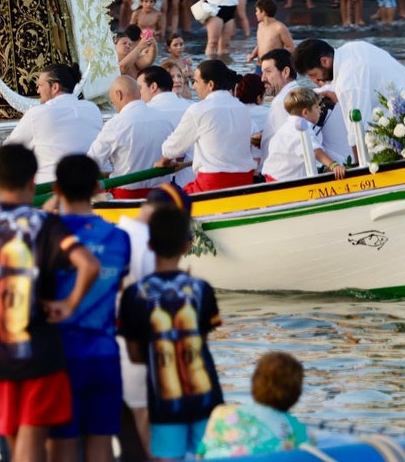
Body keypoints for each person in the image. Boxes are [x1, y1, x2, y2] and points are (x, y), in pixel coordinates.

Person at [0, 143, 101, 462]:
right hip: (36, 350)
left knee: (15, 440)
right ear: (31, 183)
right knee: (32, 436)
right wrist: (69, 303)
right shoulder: (44, 224)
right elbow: (89, 265)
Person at [118, 202, 223, 462]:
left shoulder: (135, 295)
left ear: (150, 245)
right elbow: (202, 340)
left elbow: (134, 355)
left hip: (164, 400)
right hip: (205, 396)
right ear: (187, 245)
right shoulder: (202, 289)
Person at [46, 155, 132, 462]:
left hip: (61, 356)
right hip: (105, 354)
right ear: (97, 187)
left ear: (56, 189)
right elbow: (117, 286)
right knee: (101, 443)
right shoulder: (119, 238)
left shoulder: (48, 235)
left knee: (63, 446)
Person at [292, 39, 405, 164]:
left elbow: (357, 132)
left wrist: (358, 170)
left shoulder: (347, 82)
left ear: (325, 61)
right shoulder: (354, 47)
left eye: (313, 74)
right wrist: (340, 98)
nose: (314, 80)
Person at [156, 59, 256, 194]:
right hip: (245, 181)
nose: (193, 87)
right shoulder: (242, 108)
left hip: (213, 183)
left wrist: (163, 162)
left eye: (196, 81)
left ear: (210, 84)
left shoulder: (198, 109)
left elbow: (171, 149)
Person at [4, 63, 103, 184]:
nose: (38, 90)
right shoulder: (92, 108)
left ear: (55, 87)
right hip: (92, 184)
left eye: (41, 85)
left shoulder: (37, 113)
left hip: (52, 190)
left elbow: (8, 150)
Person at [197, 352, 308, 458]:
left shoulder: (220, 413)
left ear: (254, 382)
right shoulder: (296, 429)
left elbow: (200, 453)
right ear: (297, 393)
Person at [88, 76, 174, 199]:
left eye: (112, 102)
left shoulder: (116, 123)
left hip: (127, 196)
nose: (115, 107)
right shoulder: (165, 119)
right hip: (162, 195)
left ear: (119, 94)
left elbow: (91, 162)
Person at [262, 87, 347, 183]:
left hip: (277, 176)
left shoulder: (289, 125)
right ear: (305, 112)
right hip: (282, 182)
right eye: (316, 107)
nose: (319, 110)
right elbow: (314, 150)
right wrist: (333, 165)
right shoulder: (300, 128)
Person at [246, 0, 293, 65]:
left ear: (264, 12)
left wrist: (278, 58)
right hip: (260, 64)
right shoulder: (260, 26)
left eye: (257, 11)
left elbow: (291, 47)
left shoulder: (279, 27)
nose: (256, 13)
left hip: (273, 66)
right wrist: (253, 55)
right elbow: (260, 44)